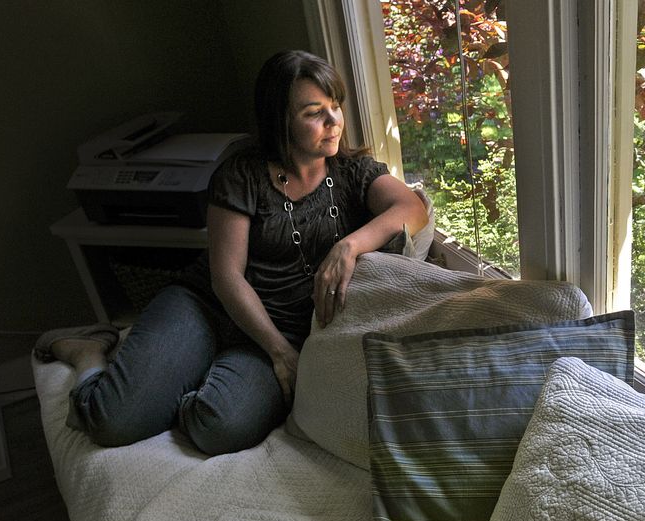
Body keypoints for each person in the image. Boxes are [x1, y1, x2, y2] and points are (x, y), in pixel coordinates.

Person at [35, 50, 429, 455]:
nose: (334, 122)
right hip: (207, 307)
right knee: (112, 421)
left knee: (220, 429)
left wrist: (349, 247)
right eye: (315, 112)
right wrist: (280, 353)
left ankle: (184, 371)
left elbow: (413, 209)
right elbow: (226, 278)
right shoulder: (242, 175)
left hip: (281, 327)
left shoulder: (353, 173)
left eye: (336, 106)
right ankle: (89, 351)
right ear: (280, 119)